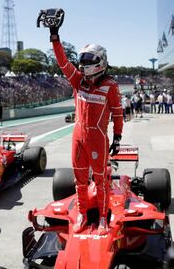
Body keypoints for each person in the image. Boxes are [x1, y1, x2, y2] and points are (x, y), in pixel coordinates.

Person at [49, 20, 123, 235]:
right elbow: (63, 62)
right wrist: (55, 36)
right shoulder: (77, 81)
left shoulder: (111, 85)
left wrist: (117, 137)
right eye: (82, 59)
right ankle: (82, 215)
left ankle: (102, 218)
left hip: (98, 139)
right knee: (79, 181)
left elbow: (118, 113)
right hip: (78, 138)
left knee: (100, 181)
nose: (83, 63)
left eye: (88, 59)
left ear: (100, 62)